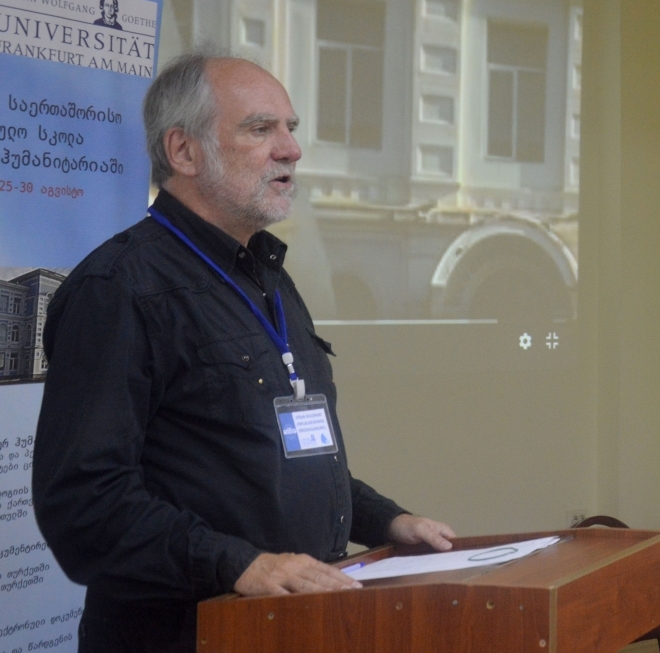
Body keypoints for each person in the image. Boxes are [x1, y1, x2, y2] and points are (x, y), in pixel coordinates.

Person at [32, 50, 455, 653]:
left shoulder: (268, 280)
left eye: (291, 129)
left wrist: (386, 521)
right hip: (185, 636)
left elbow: (275, 460)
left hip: (293, 628)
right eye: (261, 129)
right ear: (184, 151)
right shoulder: (120, 289)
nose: (291, 150)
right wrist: (239, 565)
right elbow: (84, 502)